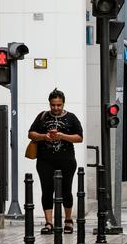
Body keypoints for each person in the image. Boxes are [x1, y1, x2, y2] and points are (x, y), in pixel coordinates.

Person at [27, 89, 84, 234]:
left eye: (59, 105)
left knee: (66, 190)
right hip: (45, 160)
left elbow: (79, 137)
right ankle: (49, 222)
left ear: (63, 104)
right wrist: (44, 137)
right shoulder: (43, 116)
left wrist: (62, 136)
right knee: (47, 190)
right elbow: (31, 133)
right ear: (49, 104)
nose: (56, 108)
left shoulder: (71, 118)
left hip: (67, 160)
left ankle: (68, 220)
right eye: (53, 105)